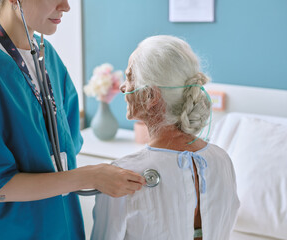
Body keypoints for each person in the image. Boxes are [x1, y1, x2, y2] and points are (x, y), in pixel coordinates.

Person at [0, 0, 146, 239]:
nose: (66, 7)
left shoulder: (48, 58)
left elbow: (66, 150)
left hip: (59, 226)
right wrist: (90, 176)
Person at [91, 35, 240, 240]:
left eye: (129, 77)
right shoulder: (222, 159)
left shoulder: (121, 176)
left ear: (150, 97)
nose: (124, 87)